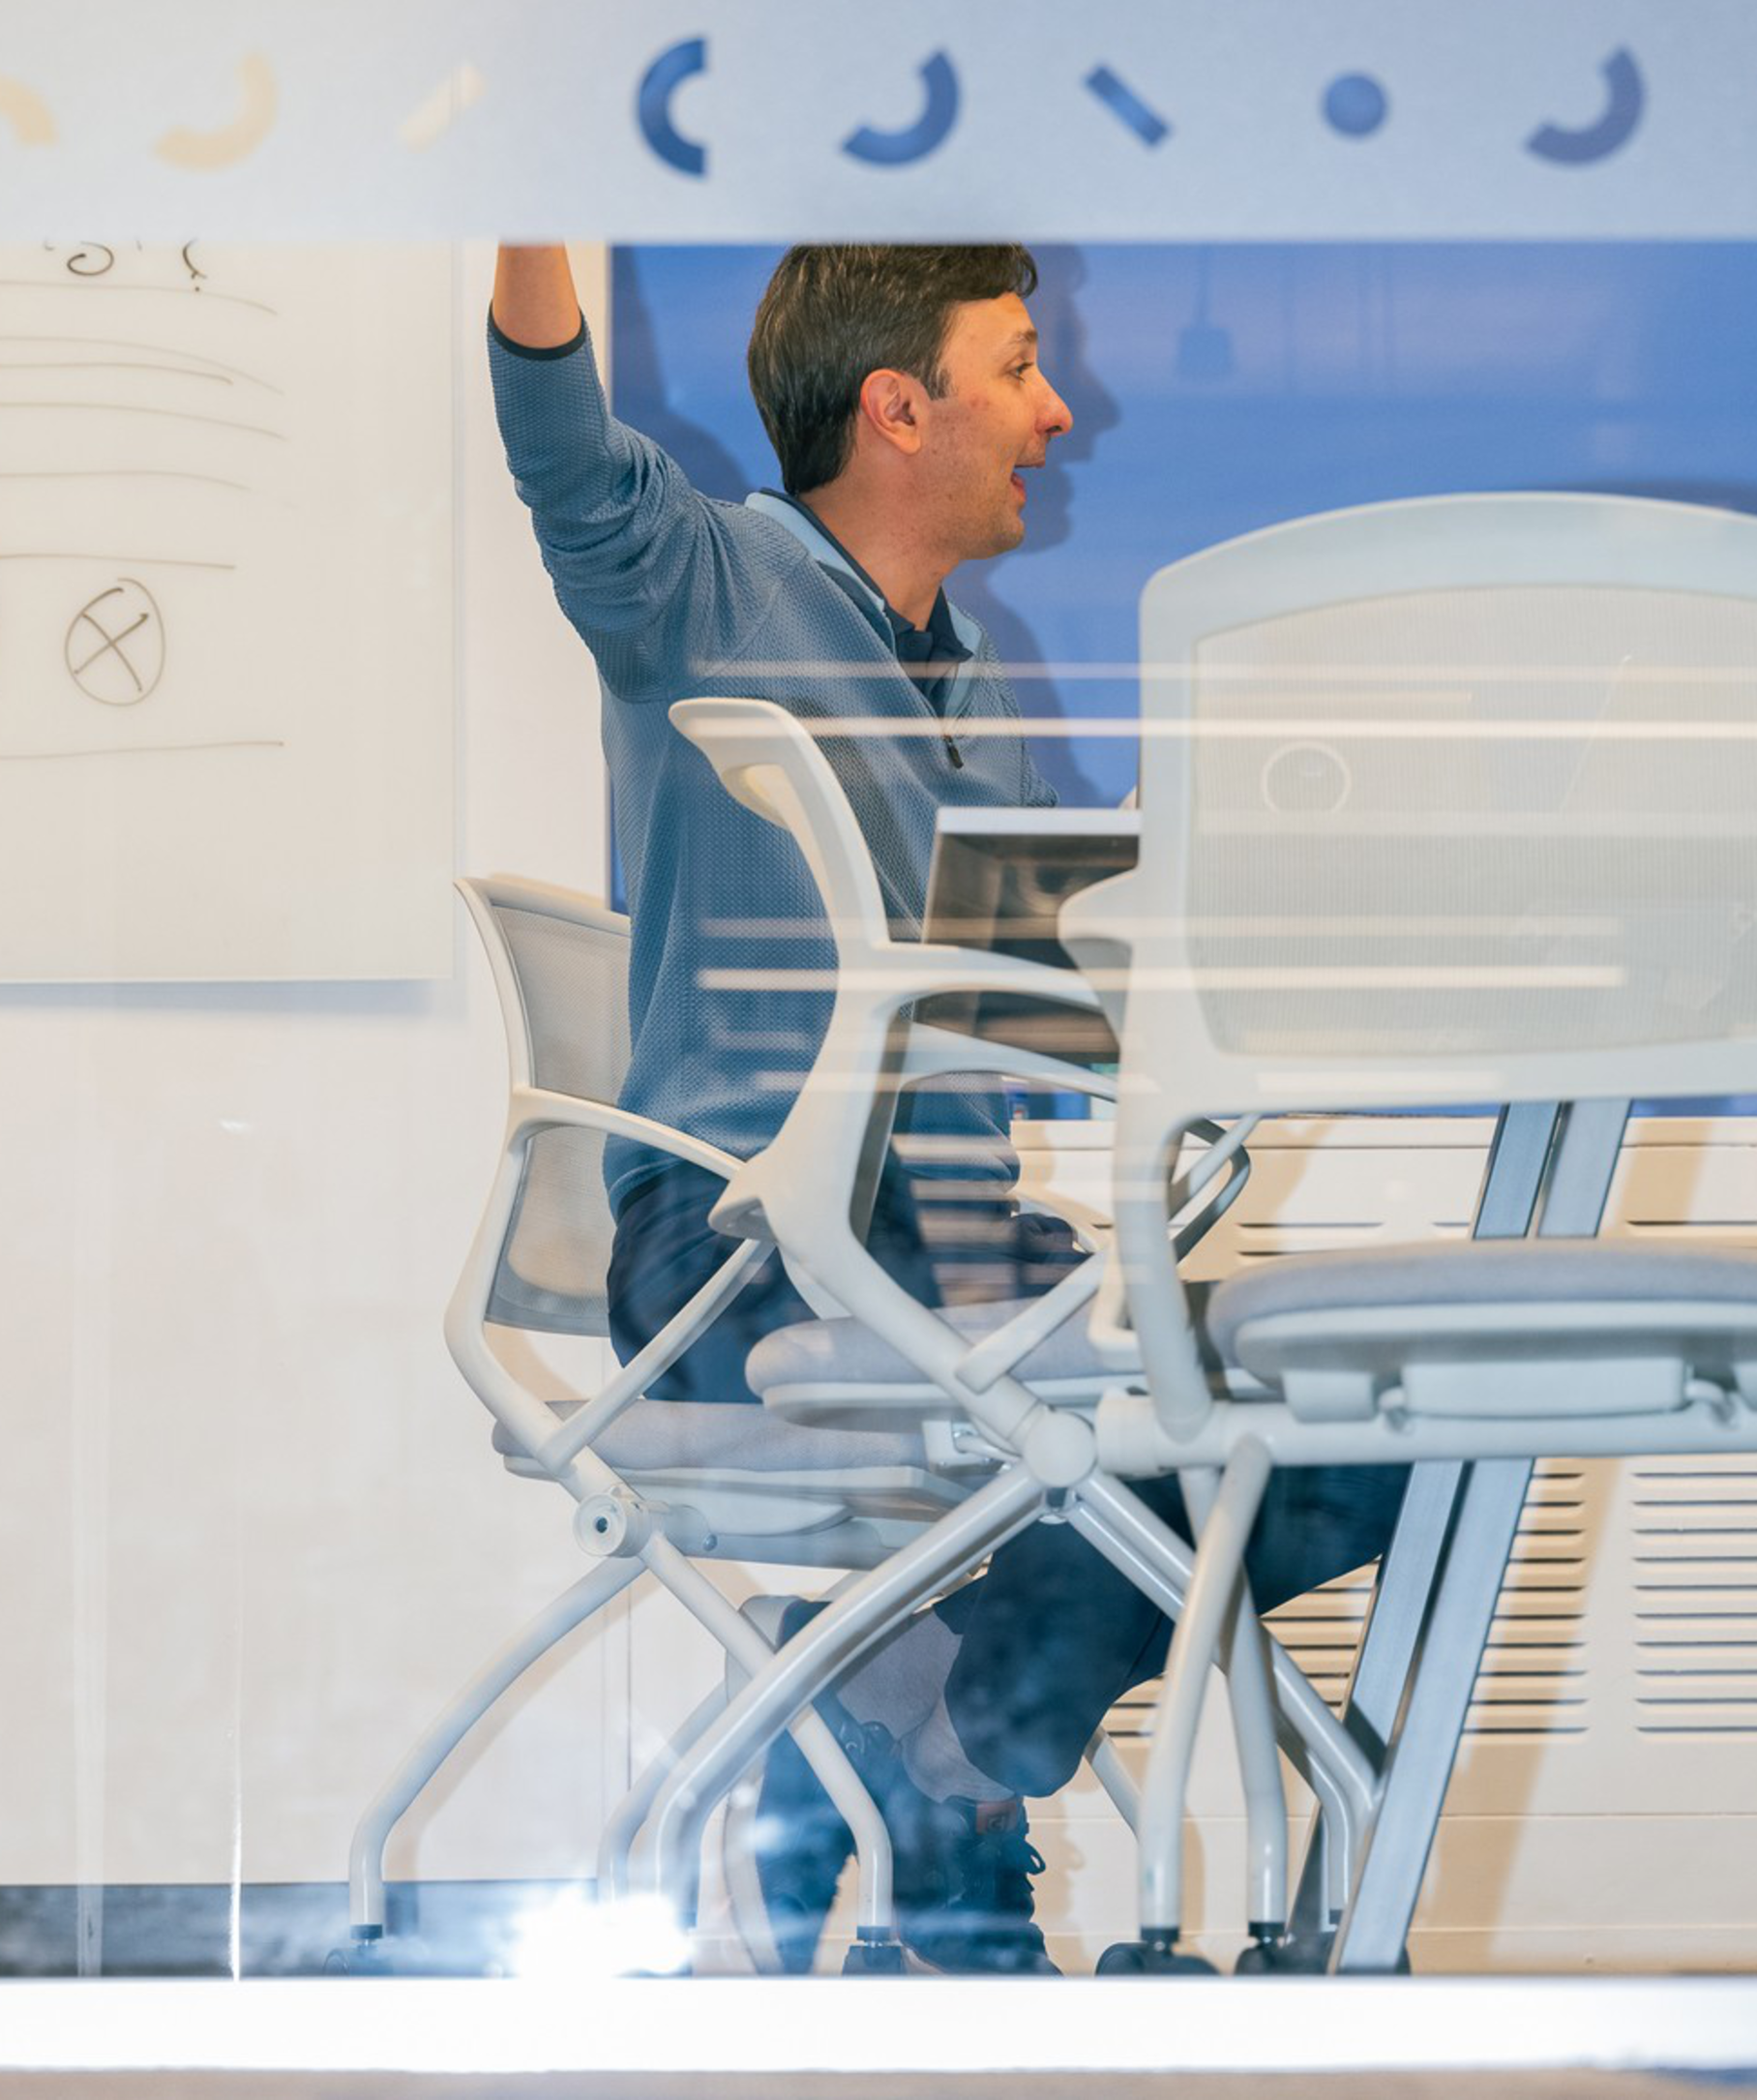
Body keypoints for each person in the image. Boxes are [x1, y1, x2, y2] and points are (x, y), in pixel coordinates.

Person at [487, 242, 1401, 1973]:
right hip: (739, 1254)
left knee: (1379, 1429)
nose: (1060, 411)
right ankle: (936, 1769)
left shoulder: (977, 683)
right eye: (1020, 368)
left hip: (975, 1250)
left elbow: (1056, 1016)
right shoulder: (702, 583)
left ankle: (914, 1734)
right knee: (1167, 1436)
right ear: (895, 408)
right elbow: (553, 435)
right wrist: (528, 184)